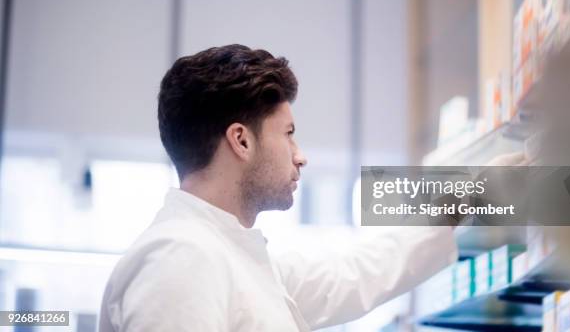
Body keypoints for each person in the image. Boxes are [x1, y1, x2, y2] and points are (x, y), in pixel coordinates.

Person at [98, 44, 457, 331]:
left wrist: (468, 199)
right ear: (241, 140)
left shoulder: (233, 257)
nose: (301, 157)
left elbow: (353, 273)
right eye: (288, 134)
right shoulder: (180, 258)